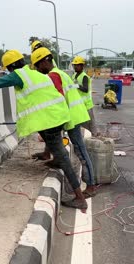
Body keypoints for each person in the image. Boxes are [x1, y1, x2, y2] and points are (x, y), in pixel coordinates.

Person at [0, 49, 88, 209]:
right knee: (51, 143)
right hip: (58, 116)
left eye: (8, 69)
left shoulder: (18, 75)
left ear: (11, 66)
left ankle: (79, 198)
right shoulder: (34, 73)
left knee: (62, 157)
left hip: (51, 120)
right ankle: (57, 161)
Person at [32, 47, 98, 198]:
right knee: (77, 149)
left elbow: (58, 100)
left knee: (81, 151)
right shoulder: (60, 73)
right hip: (73, 114)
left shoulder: (54, 75)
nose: (37, 69)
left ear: (43, 62)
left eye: (37, 65)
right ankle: (59, 162)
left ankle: (91, 186)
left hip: (72, 117)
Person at [71, 56, 97, 136]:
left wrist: (76, 86)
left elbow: (85, 89)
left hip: (86, 106)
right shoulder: (73, 76)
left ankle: (94, 138)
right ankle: (86, 140)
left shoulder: (84, 76)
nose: (75, 66)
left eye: (77, 65)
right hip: (79, 106)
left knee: (89, 125)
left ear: (82, 66)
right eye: (74, 65)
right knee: (82, 127)